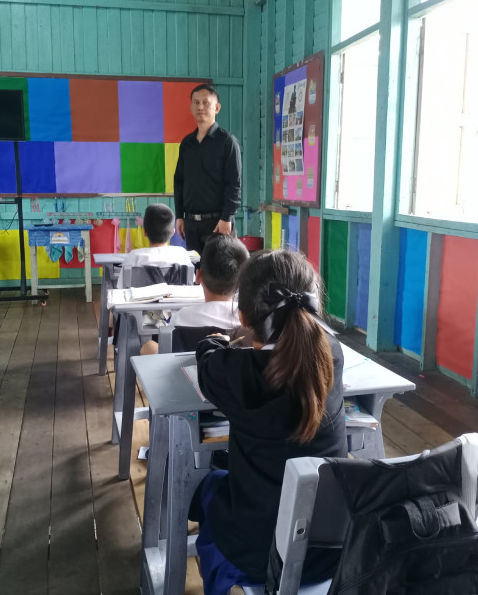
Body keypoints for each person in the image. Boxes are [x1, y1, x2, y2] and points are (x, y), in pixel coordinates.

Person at [192, 249, 347, 594]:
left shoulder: (236, 371)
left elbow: (206, 361)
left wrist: (215, 341)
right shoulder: (333, 356)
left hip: (260, 554)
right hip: (333, 551)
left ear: (243, 317)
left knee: (210, 487)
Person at [140, 234, 249, 355]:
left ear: (198, 276)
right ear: (243, 282)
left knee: (148, 346)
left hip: (187, 367)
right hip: (233, 367)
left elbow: (167, 352)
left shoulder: (181, 318)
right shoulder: (249, 323)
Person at [174, 84, 242, 253]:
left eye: (206, 102)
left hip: (218, 223)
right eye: (196, 102)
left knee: (220, 269)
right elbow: (179, 180)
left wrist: (226, 218)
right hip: (191, 224)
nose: (200, 107)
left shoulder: (227, 142)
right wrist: (179, 215)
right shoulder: (187, 143)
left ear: (217, 108)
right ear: (191, 107)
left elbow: (234, 184)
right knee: (195, 269)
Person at [116, 203, 192, 288]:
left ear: (145, 232)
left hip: (141, 297)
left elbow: (122, 287)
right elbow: (190, 284)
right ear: (173, 232)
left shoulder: (134, 257)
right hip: (176, 296)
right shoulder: (181, 254)